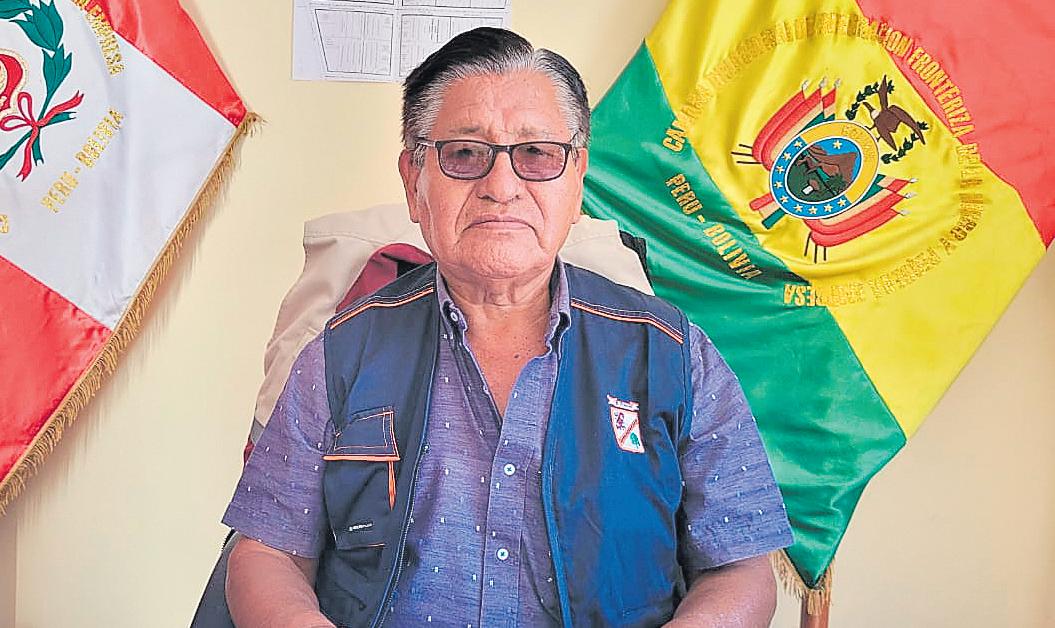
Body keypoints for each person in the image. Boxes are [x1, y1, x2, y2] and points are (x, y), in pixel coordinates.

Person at [222, 27, 793, 628]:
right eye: (464, 154)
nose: (500, 187)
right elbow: (266, 551)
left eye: (537, 154)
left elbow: (740, 568)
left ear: (577, 179)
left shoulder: (670, 352)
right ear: (414, 181)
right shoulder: (341, 351)